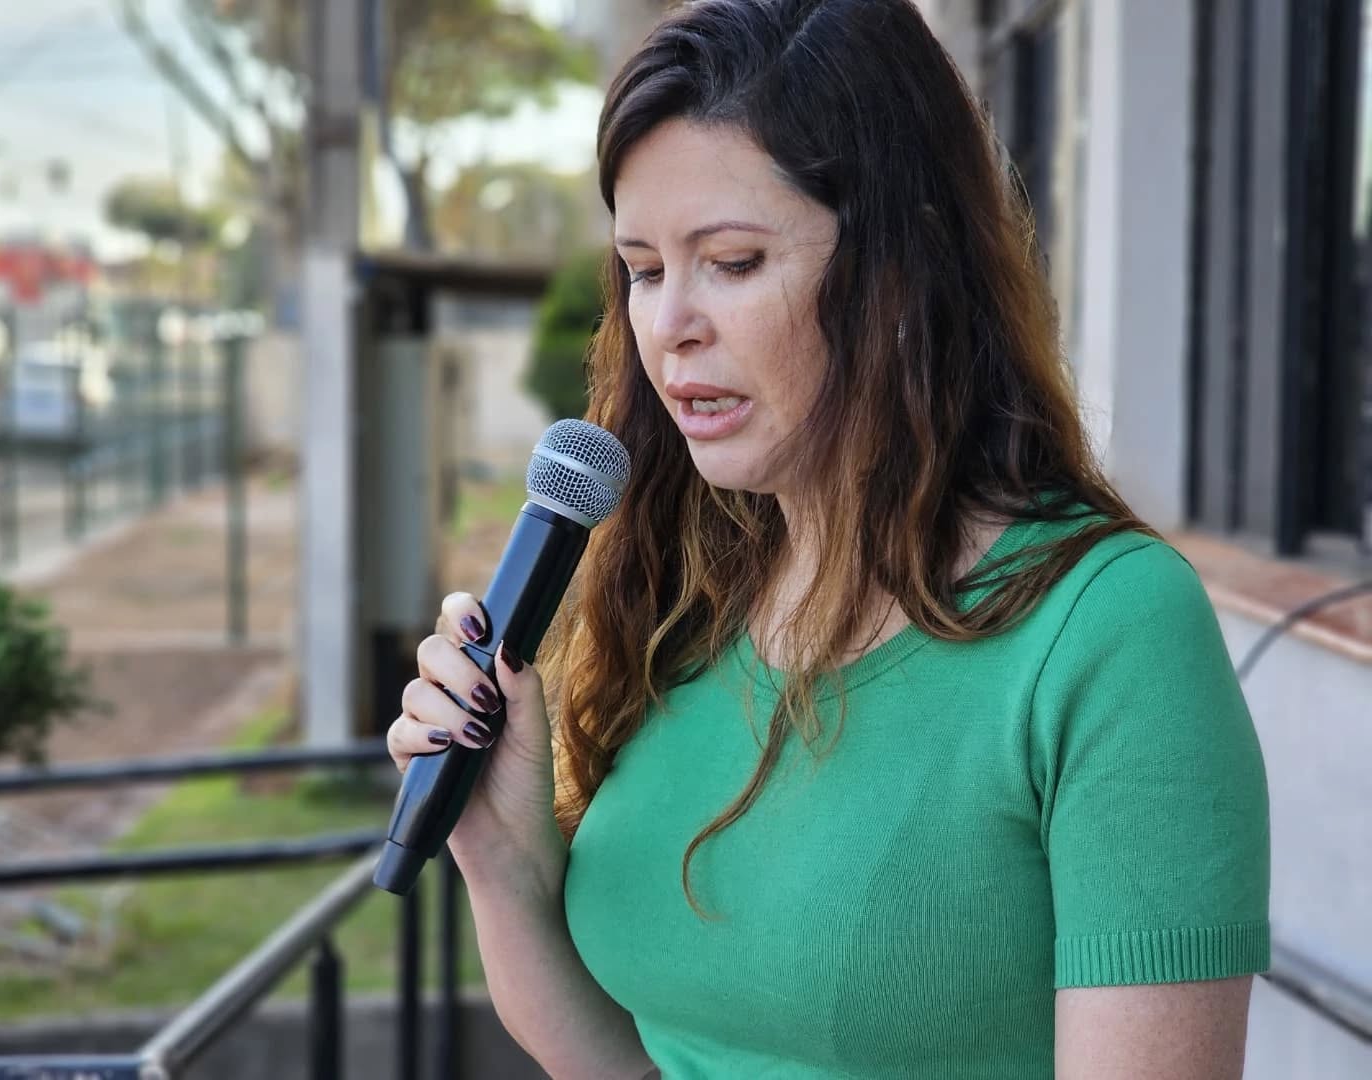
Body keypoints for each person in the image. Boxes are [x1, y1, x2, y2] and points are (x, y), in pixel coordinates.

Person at [385, 1, 1272, 1076]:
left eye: (733, 261)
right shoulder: (689, 602)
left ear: (906, 266)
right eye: (645, 269)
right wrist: (502, 862)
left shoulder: (1109, 633)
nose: (669, 327)